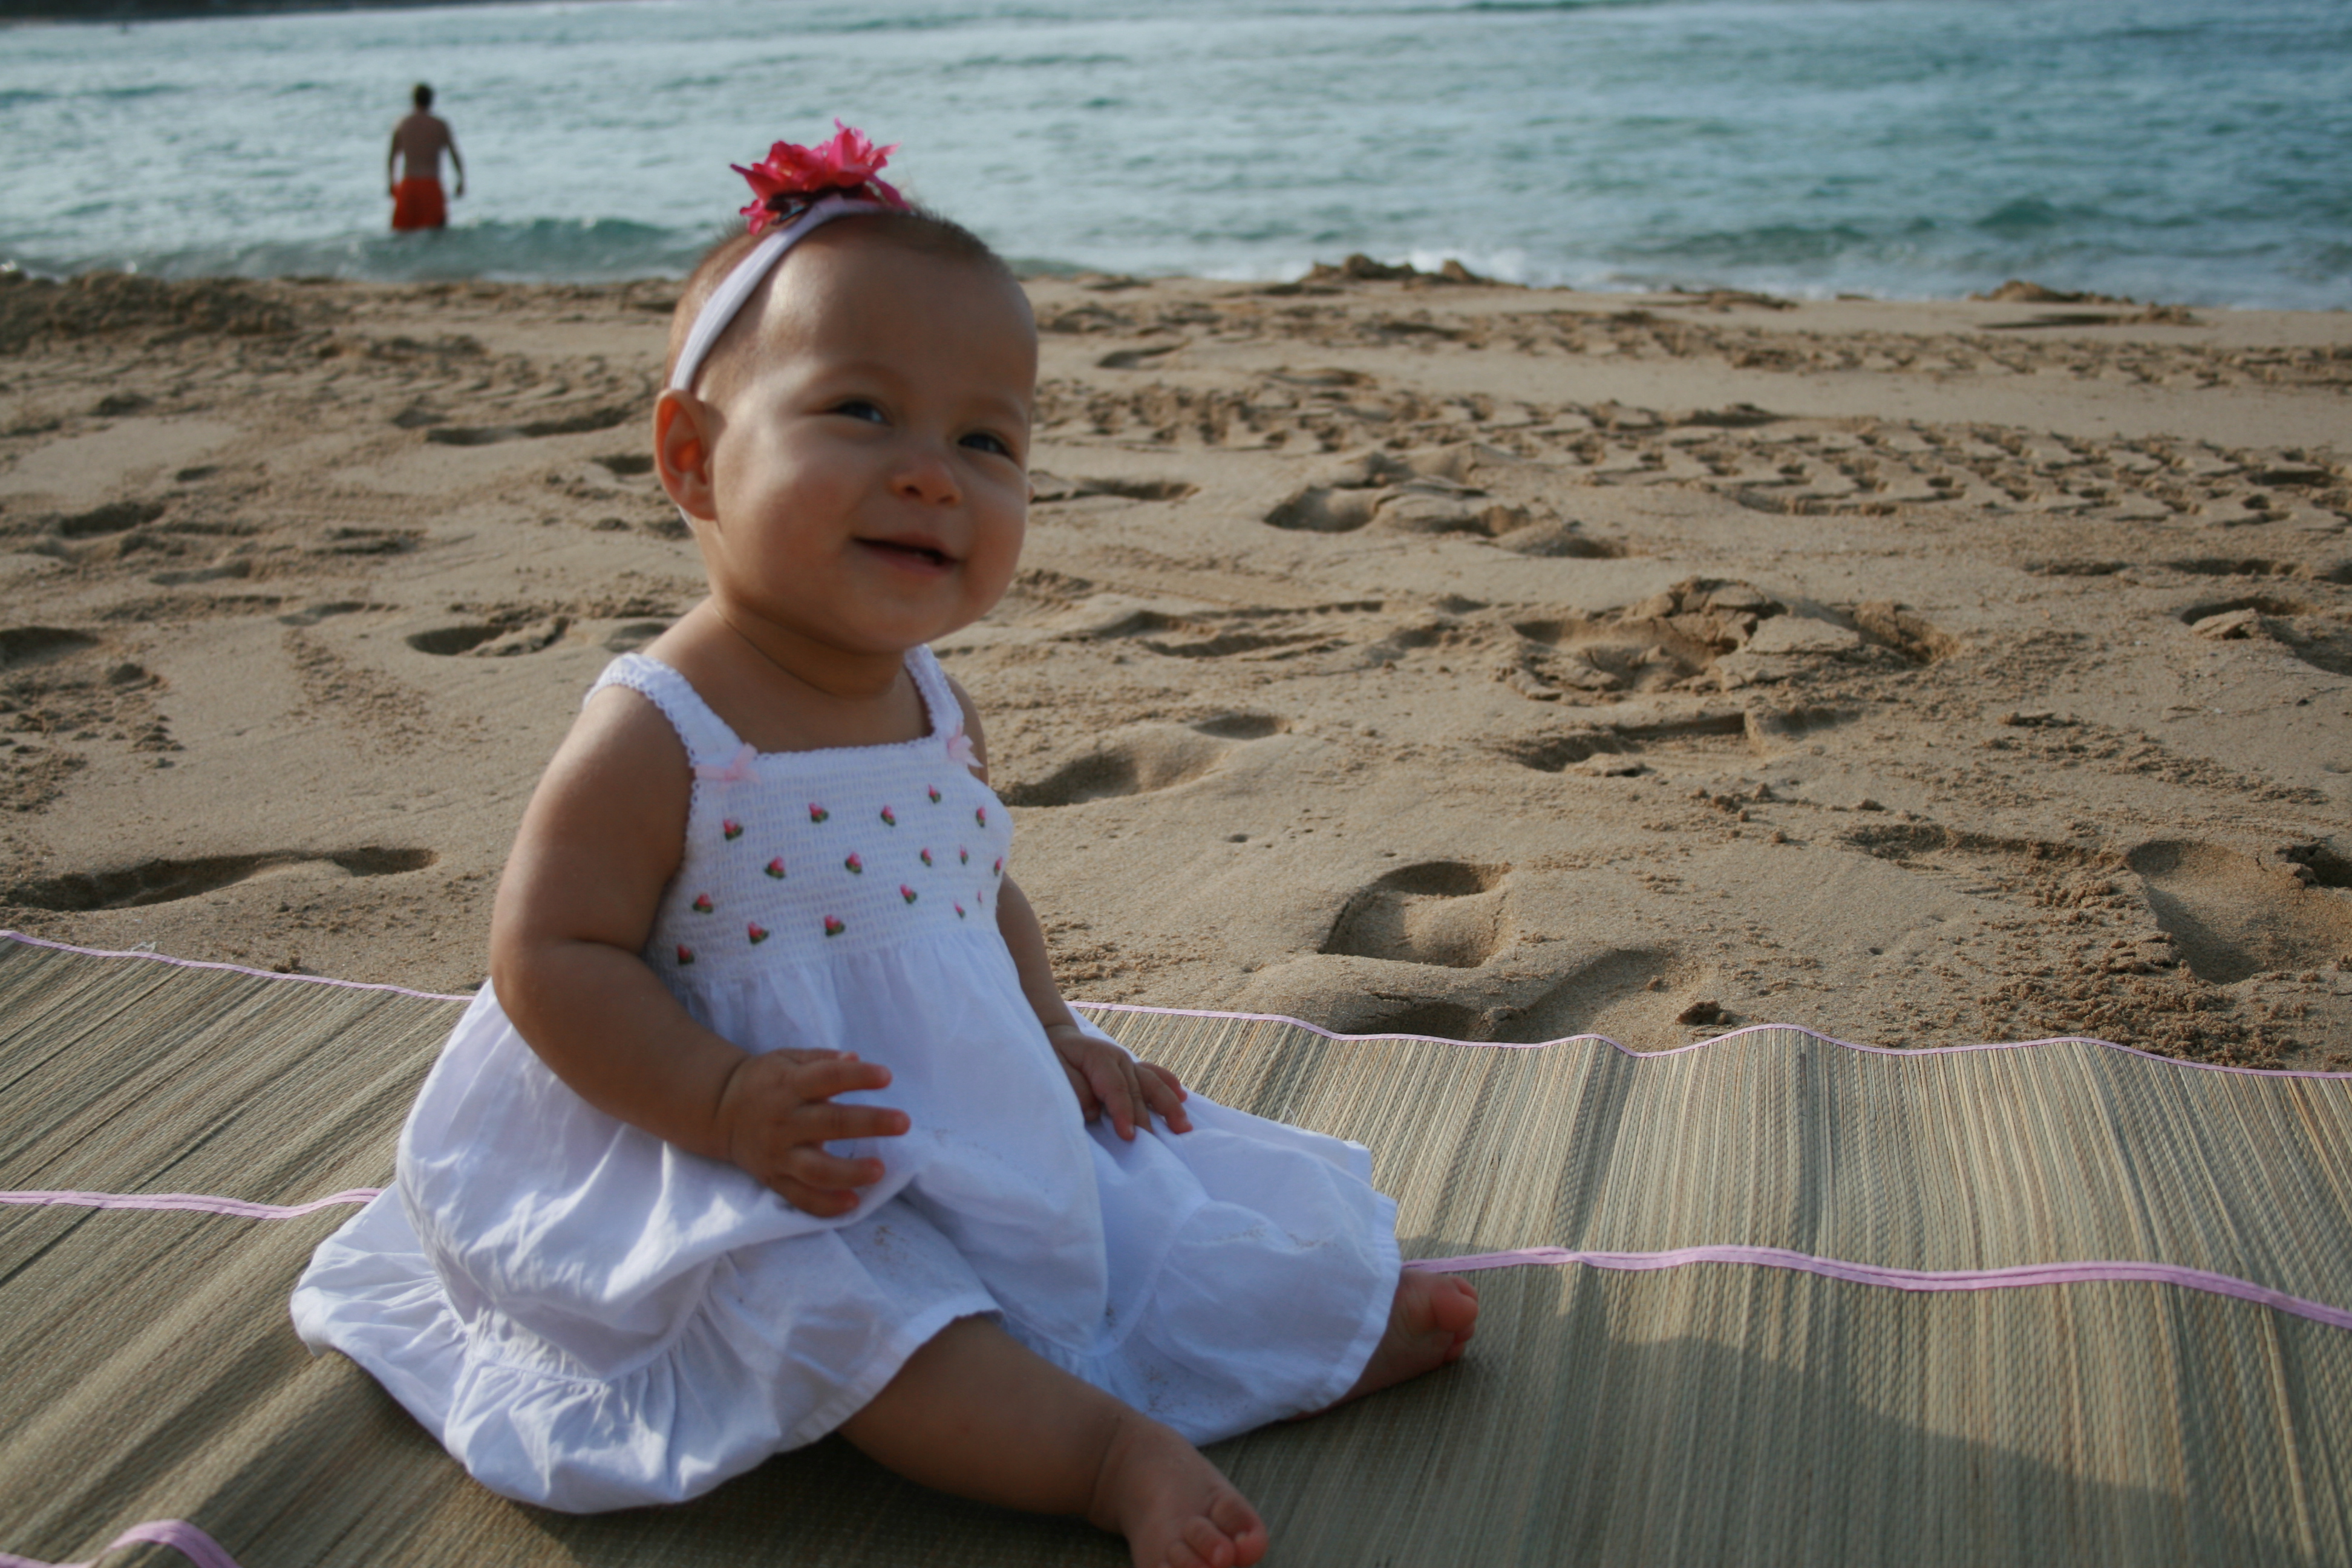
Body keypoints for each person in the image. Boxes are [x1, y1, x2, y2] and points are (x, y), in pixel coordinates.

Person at [292, 125, 1477, 1568]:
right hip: (709, 1145)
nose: (931, 476)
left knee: (1128, 1200)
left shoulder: (934, 706)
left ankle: (1292, 1331)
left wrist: (1054, 1031)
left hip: (928, 1104)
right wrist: (720, 1101)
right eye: (860, 411)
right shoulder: (664, 728)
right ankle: (1102, 1456)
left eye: (986, 441)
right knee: (852, 1313)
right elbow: (549, 955)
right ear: (694, 459)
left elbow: (976, 887)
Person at [387, 83, 464, 232]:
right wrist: (461, 180)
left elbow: (392, 157)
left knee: (403, 236)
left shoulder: (402, 124)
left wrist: (391, 182)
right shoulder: (440, 125)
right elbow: (454, 154)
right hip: (431, 187)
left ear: (413, 100)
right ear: (431, 100)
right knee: (436, 235)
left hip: (408, 187)